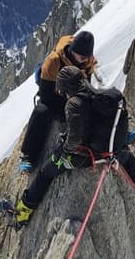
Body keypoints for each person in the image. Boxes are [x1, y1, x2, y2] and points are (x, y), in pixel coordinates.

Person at [13, 66, 135, 226]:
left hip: (85, 158)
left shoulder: (74, 103)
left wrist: (63, 152)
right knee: (127, 158)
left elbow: (74, 140)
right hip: (112, 152)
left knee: (45, 173)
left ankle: (23, 211)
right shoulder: (98, 96)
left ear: (66, 88)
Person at [19, 30, 97, 172]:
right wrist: (65, 112)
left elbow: (87, 89)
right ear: (73, 51)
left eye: (87, 56)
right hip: (53, 96)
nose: (84, 59)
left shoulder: (87, 63)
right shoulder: (53, 61)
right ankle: (28, 155)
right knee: (41, 111)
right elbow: (46, 95)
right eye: (82, 56)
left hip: (73, 97)